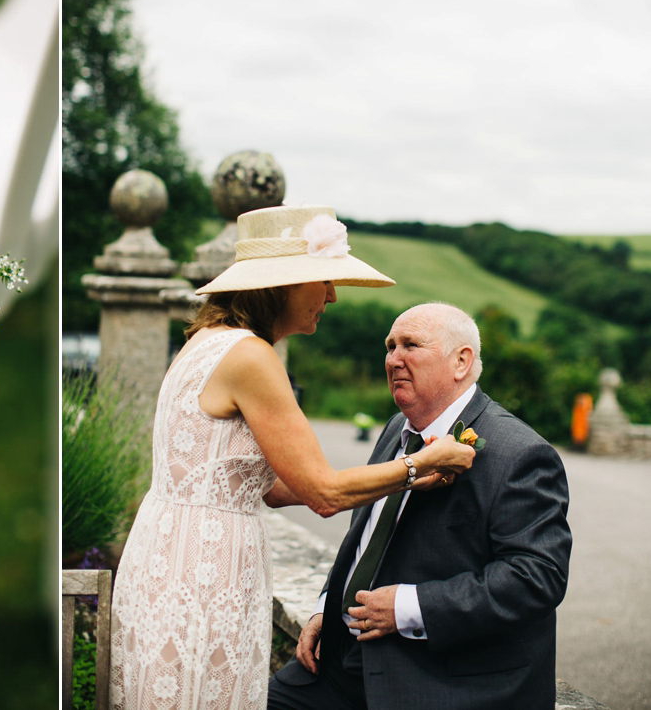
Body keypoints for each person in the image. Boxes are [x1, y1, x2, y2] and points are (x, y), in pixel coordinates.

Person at [109, 207, 475, 710]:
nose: (332, 295)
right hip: (203, 570)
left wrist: (400, 482)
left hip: (167, 551)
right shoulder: (251, 356)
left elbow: (257, 483)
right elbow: (322, 493)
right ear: (282, 283)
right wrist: (424, 464)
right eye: (324, 280)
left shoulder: (203, 343)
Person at [268, 302, 572, 710]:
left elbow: (538, 576)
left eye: (411, 345)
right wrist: (328, 606)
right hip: (340, 662)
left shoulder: (520, 452)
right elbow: (366, 535)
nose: (394, 358)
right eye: (390, 347)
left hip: (436, 675)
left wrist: (408, 608)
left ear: (461, 361)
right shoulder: (397, 428)